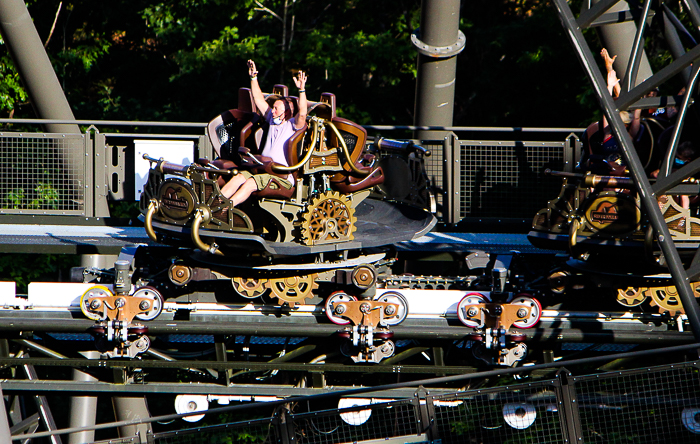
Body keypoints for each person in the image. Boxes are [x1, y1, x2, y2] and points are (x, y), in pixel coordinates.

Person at [221, 60, 308, 206]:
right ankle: (214, 205)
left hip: (282, 178)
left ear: (286, 113)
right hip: (264, 171)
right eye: (273, 108)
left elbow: (303, 113)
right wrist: (253, 78)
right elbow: (258, 99)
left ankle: (224, 209)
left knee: (250, 183)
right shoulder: (272, 120)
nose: (272, 111)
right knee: (238, 177)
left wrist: (301, 90)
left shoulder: (292, 125)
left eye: (276, 109)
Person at [580, 48, 642, 175]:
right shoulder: (610, 134)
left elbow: (633, 115)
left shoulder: (628, 135)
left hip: (624, 171)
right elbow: (608, 109)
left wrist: (610, 74)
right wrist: (609, 77)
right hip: (609, 168)